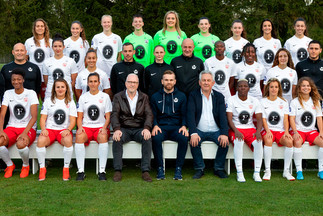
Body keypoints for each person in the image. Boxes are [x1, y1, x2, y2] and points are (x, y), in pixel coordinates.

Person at [111, 74, 153, 182]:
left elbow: (149, 114)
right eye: (130, 82)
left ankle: (145, 171)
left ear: (138, 84)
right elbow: (114, 114)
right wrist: (116, 129)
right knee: (117, 138)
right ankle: (117, 170)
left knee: (147, 138)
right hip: (124, 129)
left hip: (139, 129)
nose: (132, 84)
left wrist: (147, 128)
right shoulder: (118, 96)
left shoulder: (144, 97)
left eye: (134, 82)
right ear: (125, 83)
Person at [187, 71, 229, 179]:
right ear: (199, 82)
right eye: (204, 80)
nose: (206, 83)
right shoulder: (193, 95)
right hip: (199, 129)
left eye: (208, 80)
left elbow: (223, 117)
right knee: (194, 142)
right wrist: (193, 133)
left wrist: (224, 133)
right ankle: (199, 169)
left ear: (213, 83)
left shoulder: (219, 97)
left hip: (216, 130)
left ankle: (218, 169)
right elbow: (190, 116)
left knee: (225, 142)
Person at [0, 68, 39, 178]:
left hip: (27, 127)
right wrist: (1, 130)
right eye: (14, 79)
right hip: (12, 127)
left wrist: (25, 133)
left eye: (18, 79)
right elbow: (2, 114)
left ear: (23, 80)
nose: (16, 82)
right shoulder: (8, 93)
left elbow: (34, 117)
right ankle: (10, 165)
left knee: (21, 144)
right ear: (11, 81)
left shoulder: (31, 93)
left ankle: (25, 165)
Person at [36, 79, 77, 181]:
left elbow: (73, 120)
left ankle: (66, 168)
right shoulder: (48, 101)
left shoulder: (70, 102)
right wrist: (43, 129)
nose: (60, 89)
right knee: (41, 141)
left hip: (63, 130)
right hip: (50, 129)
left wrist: (68, 129)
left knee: (68, 141)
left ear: (66, 88)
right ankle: (42, 168)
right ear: (54, 89)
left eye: (62, 87)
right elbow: (42, 118)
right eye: (57, 87)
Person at [150, 70, 188, 180]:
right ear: (162, 81)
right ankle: (160, 169)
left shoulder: (182, 96)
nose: (169, 82)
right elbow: (153, 114)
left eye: (171, 80)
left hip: (176, 127)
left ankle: (178, 169)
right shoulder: (155, 96)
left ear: (175, 81)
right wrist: (155, 125)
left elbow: (184, 114)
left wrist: (184, 126)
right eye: (166, 80)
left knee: (184, 137)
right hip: (161, 127)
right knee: (156, 138)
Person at [74, 73, 112, 181]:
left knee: (103, 137)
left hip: (100, 126)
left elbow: (108, 117)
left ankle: (102, 171)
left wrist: (104, 127)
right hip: (87, 127)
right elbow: (79, 116)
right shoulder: (83, 97)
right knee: (79, 137)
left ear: (99, 83)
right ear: (87, 83)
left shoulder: (105, 97)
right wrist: (80, 127)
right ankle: (81, 171)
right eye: (91, 81)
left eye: (95, 81)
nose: (93, 84)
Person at [226, 79, 263, 182]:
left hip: (250, 129)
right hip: (236, 128)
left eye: (245, 86)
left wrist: (258, 131)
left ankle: (256, 172)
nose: (242, 88)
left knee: (259, 142)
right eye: (240, 86)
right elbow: (229, 118)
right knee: (239, 141)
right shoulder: (231, 99)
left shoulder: (254, 100)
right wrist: (236, 131)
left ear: (248, 88)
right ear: (237, 88)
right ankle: (239, 172)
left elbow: (259, 119)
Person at [289, 77, 323, 180]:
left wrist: (321, 131)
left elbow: (319, 118)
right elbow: (291, 118)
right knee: (297, 142)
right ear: (299, 88)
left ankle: (321, 170)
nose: (306, 87)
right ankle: (299, 171)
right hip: (299, 130)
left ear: (311, 88)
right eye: (303, 85)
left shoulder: (315, 101)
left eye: (308, 86)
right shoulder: (294, 102)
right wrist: (295, 132)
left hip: (311, 131)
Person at [260, 78, 295, 181]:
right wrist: (268, 131)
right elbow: (263, 119)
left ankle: (286, 171)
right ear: (268, 88)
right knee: (268, 139)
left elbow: (285, 119)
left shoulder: (283, 102)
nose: (274, 89)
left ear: (279, 88)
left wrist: (286, 132)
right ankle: (267, 170)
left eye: (276, 87)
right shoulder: (262, 101)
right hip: (267, 129)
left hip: (280, 130)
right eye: (271, 87)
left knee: (289, 141)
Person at [42, 35, 78, 100]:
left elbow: (73, 81)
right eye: (55, 46)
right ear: (52, 47)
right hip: (50, 94)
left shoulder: (71, 61)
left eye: (60, 46)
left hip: (66, 94)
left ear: (64, 47)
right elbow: (46, 81)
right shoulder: (46, 62)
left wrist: (65, 89)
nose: (57, 49)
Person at [24, 18, 52, 100]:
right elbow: (25, 59)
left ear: (45, 28)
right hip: (32, 77)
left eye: (42, 26)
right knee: (32, 102)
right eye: (37, 26)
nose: (40, 28)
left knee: (46, 101)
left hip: (46, 77)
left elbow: (53, 59)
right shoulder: (29, 42)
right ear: (34, 28)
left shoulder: (50, 42)